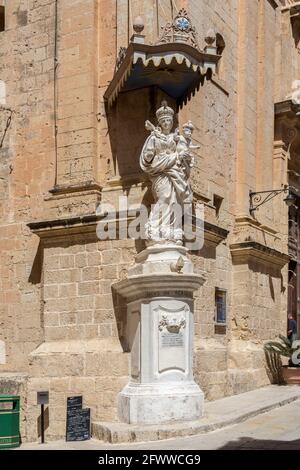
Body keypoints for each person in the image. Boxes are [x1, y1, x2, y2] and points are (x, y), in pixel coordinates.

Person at [140, 101, 193, 243]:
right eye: (164, 121)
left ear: (172, 121)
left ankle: (170, 229)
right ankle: (154, 228)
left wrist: (184, 156)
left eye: (169, 120)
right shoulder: (153, 137)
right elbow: (148, 155)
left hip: (174, 172)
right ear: (160, 122)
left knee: (174, 200)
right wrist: (150, 153)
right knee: (164, 198)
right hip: (160, 172)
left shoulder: (175, 138)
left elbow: (182, 152)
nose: (166, 123)